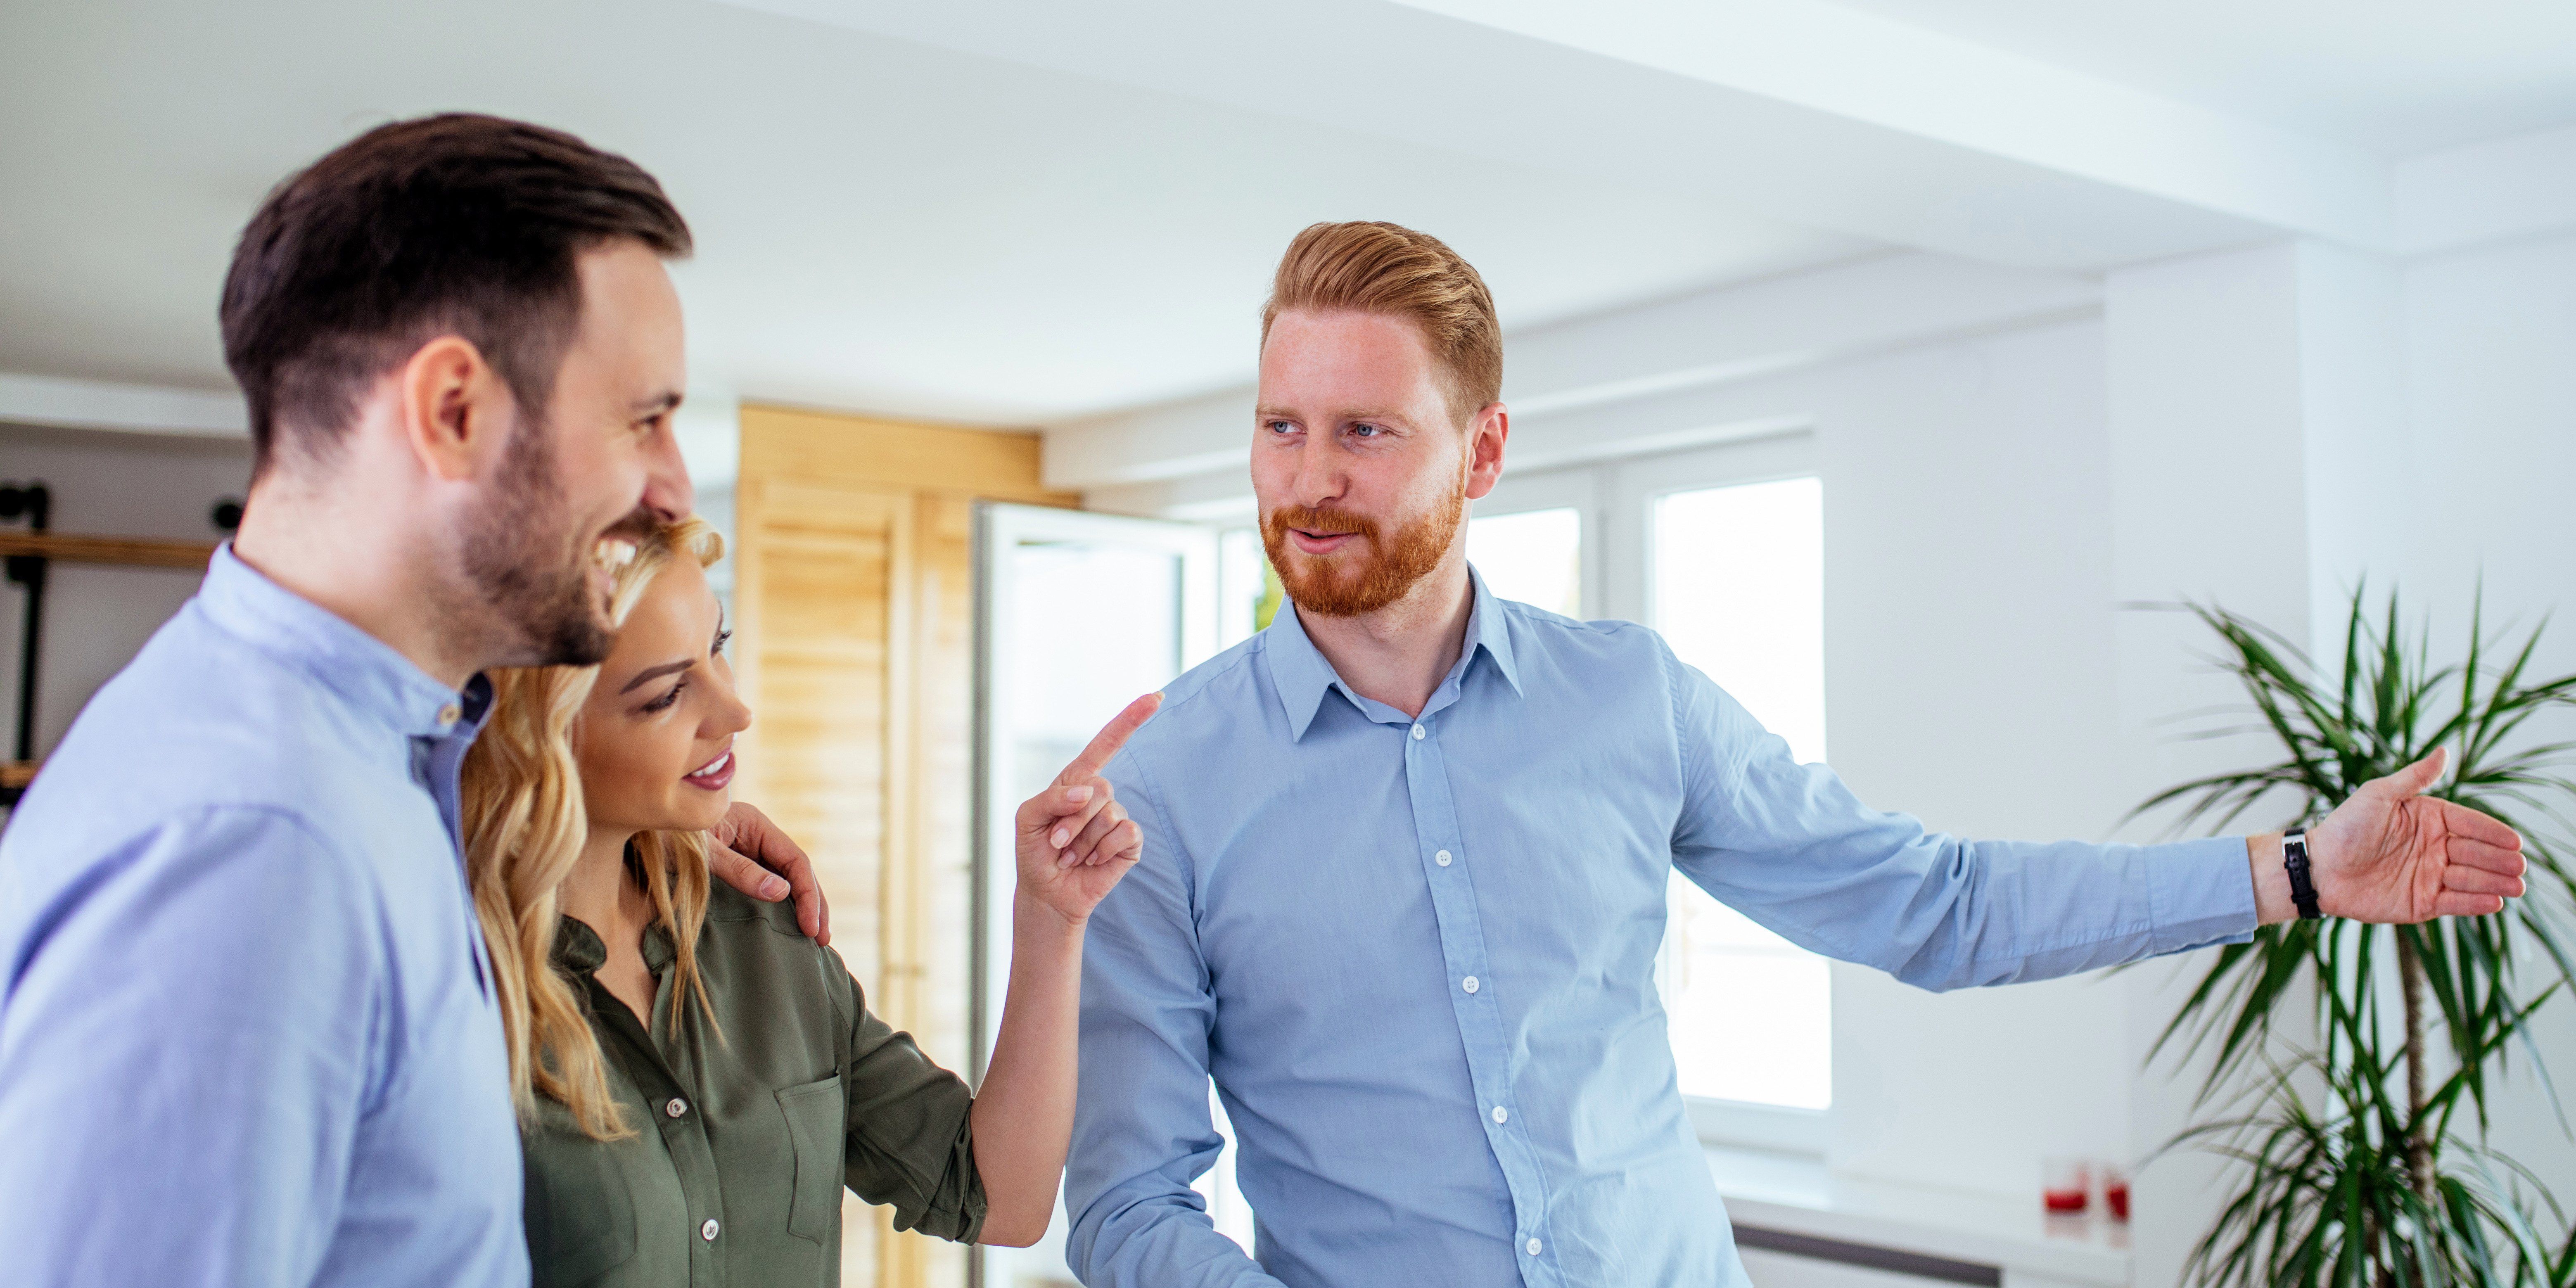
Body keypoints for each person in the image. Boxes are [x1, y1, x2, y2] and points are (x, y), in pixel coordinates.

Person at [1061, 221, 2533, 1288]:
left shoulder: (1627, 701)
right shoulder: (1166, 783)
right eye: (1278, 428)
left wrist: (2293, 871)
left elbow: (1934, 905)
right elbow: (1126, 1202)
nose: (1308, 482)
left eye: (1364, 431)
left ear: (1483, 451)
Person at [0, 115, 830, 1286]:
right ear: (453, 411)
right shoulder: (259, 851)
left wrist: (656, 821)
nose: (671, 486)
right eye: (643, 417)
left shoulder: (364, 761)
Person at [461, 517, 1153, 1286]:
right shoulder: (453, 988)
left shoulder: (760, 930)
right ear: (542, 738)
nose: (733, 713)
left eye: (718, 648)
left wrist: (1051, 919)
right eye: (665, 694)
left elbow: (1000, 1200)